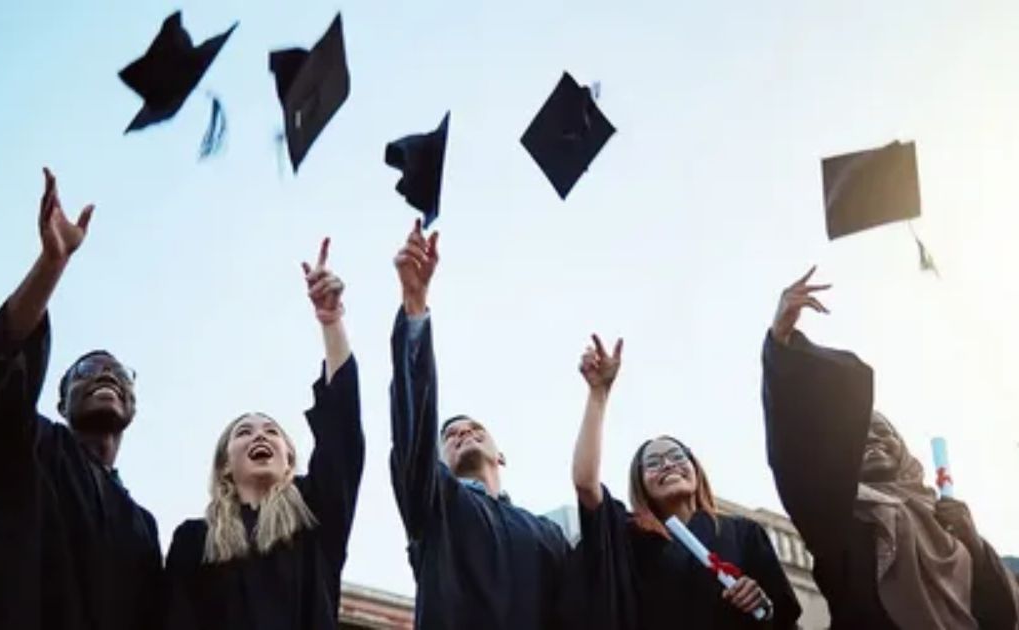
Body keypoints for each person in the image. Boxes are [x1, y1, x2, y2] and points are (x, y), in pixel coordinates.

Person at [761, 267, 1019, 629]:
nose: (873, 441)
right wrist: (781, 345)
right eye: (861, 437)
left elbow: (1001, 616)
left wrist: (976, 548)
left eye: (883, 433)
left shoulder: (947, 521)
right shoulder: (841, 519)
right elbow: (795, 457)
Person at [0, 168, 162, 630]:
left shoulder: (143, 528)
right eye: (86, 371)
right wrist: (53, 263)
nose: (105, 373)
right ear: (61, 403)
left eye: (117, 373)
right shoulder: (30, 450)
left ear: (133, 405)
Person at [163, 238, 364, 630]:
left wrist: (331, 321)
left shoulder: (314, 517)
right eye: (244, 432)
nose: (260, 436)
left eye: (272, 431)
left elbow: (343, 435)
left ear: (289, 459)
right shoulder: (194, 541)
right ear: (224, 465)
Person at [388, 220, 570, 630]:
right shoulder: (436, 508)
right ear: (437, 461)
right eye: (449, 435)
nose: (462, 432)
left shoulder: (547, 535)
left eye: (473, 428)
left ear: (500, 453)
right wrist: (415, 306)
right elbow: (411, 429)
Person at [569, 335, 801, 629]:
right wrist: (599, 393)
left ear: (695, 468)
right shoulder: (632, 539)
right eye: (652, 463)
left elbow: (783, 618)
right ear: (640, 482)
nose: (667, 465)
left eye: (676, 457)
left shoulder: (744, 534)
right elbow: (586, 484)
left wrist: (762, 604)